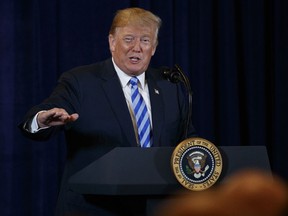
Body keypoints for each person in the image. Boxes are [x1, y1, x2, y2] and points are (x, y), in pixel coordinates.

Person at [19, 7, 196, 216]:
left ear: (154, 47)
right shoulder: (80, 81)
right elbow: (41, 116)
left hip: (157, 209)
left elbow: (188, 142)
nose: (137, 47)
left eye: (145, 40)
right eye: (129, 39)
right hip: (94, 208)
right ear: (112, 42)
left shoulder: (170, 87)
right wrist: (41, 119)